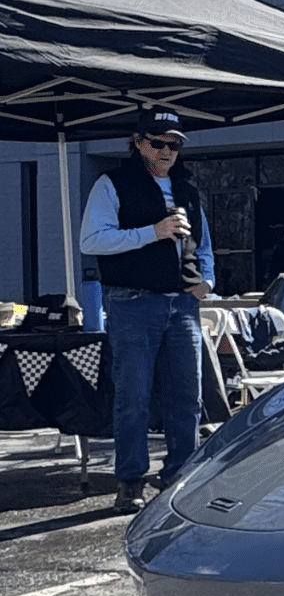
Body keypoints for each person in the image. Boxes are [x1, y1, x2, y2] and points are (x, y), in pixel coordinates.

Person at [79, 106, 214, 512]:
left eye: (174, 144)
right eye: (158, 143)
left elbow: (203, 243)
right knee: (133, 396)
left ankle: (179, 472)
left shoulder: (187, 188)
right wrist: (152, 232)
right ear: (138, 143)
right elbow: (91, 241)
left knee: (187, 395)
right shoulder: (112, 184)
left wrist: (206, 279)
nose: (167, 151)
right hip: (132, 301)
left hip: (182, 304)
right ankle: (131, 480)